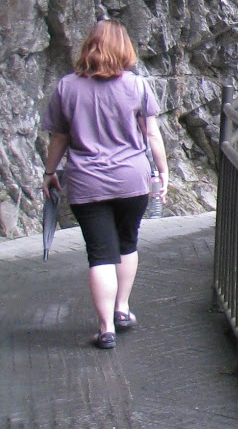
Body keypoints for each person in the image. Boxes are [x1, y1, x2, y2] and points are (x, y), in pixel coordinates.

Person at [41, 20, 169, 349]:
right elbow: (151, 134)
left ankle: (106, 328)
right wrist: (163, 172)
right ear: (125, 48)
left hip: (87, 183)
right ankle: (122, 309)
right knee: (127, 243)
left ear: (89, 47)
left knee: (100, 255)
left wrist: (49, 172)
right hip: (132, 180)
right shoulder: (138, 86)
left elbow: (59, 137)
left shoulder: (66, 87)